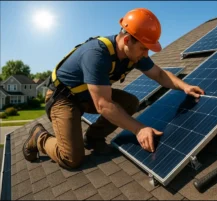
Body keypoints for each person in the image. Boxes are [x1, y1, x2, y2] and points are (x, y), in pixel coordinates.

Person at [23, 8, 205, 169]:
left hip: (87, 96)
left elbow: (159, 75)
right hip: (63, 98)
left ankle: (92, 138)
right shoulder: (96, 55)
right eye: (143, 48)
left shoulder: (133, 54)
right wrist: (139, 129)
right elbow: (103, 104)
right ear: (127, 40)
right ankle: (39, 136)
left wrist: (185, 86)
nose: (145, 54)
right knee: (71, 158)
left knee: (130, 103)